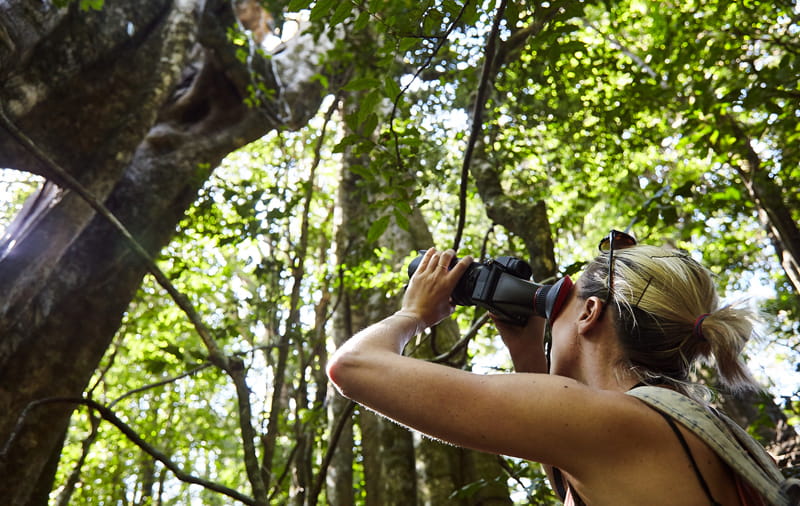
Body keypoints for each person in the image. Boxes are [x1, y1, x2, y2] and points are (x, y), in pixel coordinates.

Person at [326, 231, 771, 505]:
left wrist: (415, 313)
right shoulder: (664, 422)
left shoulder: (615, 422)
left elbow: (353, 366)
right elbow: (571, 484)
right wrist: (527, 355)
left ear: (589, 313)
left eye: (562, 301)